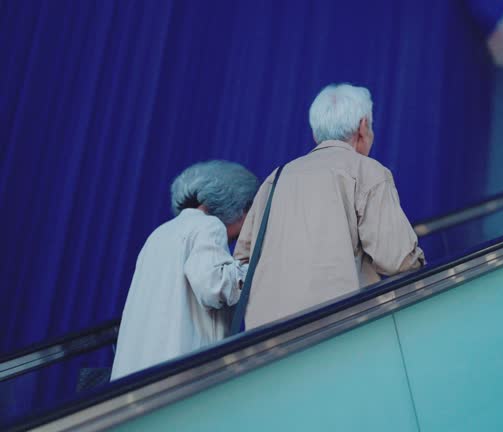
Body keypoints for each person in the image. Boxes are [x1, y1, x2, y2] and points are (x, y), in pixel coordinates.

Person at [235, 83, 425, 330]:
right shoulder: (367, 172)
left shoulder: (276, 178)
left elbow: (243, 261)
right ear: (363, 126)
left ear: (316, 135)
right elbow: (396, 259)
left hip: (264, 334)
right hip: (335, 327)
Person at [111, 161, 259, 380]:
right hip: (181, 372)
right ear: (241, 206)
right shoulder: (208, 226)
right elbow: (215, 287)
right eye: (251, 212)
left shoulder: (160, 234)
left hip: (135, 375)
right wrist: (255, 268)